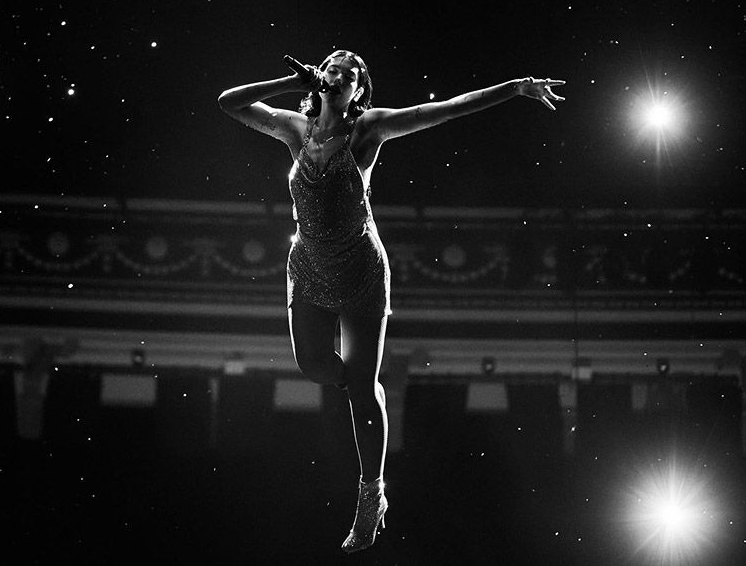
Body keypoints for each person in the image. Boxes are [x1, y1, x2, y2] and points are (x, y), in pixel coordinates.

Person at [217, 50, 564, 552]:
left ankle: (371, 491)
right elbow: (228, 103)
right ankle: (364, 384)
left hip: (361, 268)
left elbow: (444, 109)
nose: (339, 74)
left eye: (350, 73)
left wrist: (514, 88)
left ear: (359, 90)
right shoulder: (295, 129)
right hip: (309, 265)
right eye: (332, 67)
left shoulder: (368, 130)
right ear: (319, 78)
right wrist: (287, 83)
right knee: (313, 366)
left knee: (361, 388)